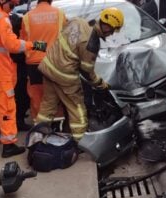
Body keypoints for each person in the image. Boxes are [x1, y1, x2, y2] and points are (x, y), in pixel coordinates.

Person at [36, 7, 124, 141]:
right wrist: (101, 84)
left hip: (48, 68)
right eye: (112, 30)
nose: (111, 34)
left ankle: (36, 138)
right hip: (65, 77)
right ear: (107, 26)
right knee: (78, 110)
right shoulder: (92, 43)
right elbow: (87, 72)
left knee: (47, 106)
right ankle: (81, 141)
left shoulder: (77, 21)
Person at [0, 0, 47, 158]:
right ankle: (8, 145)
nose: (11, 7)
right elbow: (11, 44)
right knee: (6, 108)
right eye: (11, 4)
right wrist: (34, 45)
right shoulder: (0, 17)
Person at [20, 0, 67, 122]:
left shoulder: (27, 17)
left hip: (34, 63)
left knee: (37, 95)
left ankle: (39, 126)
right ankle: (57, 126)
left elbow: (24, 42)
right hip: (55, 62)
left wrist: (38, 48)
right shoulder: (60, 14)